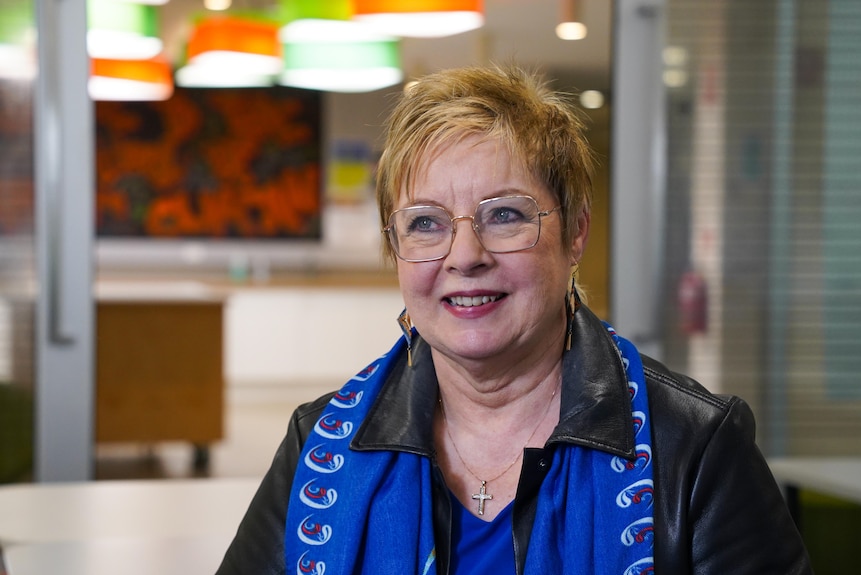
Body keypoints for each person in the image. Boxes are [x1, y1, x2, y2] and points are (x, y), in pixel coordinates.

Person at [216, 65, 811, 574]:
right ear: (395, 249)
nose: (465, 255)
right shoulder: (319, 445)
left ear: (574, 232)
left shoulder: (697, 448)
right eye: (426, 223)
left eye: (505, 215)